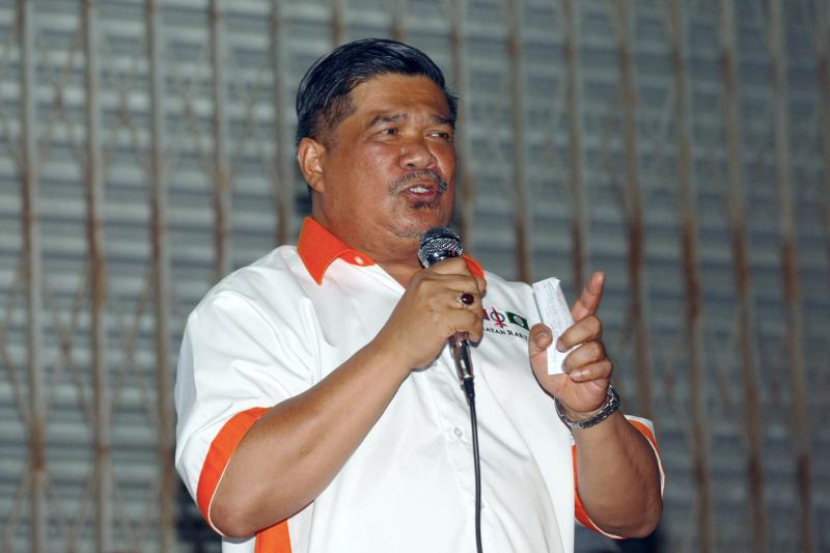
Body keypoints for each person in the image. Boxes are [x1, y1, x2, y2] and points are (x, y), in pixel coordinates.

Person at [175, 38, 663, 553]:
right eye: (389, 131)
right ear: (315, 163)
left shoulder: (527, 311)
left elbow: (636, 516)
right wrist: (396, 348)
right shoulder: (253, 306)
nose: (423, 154)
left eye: (439, 134)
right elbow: (234, 500)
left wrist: (591, 413)